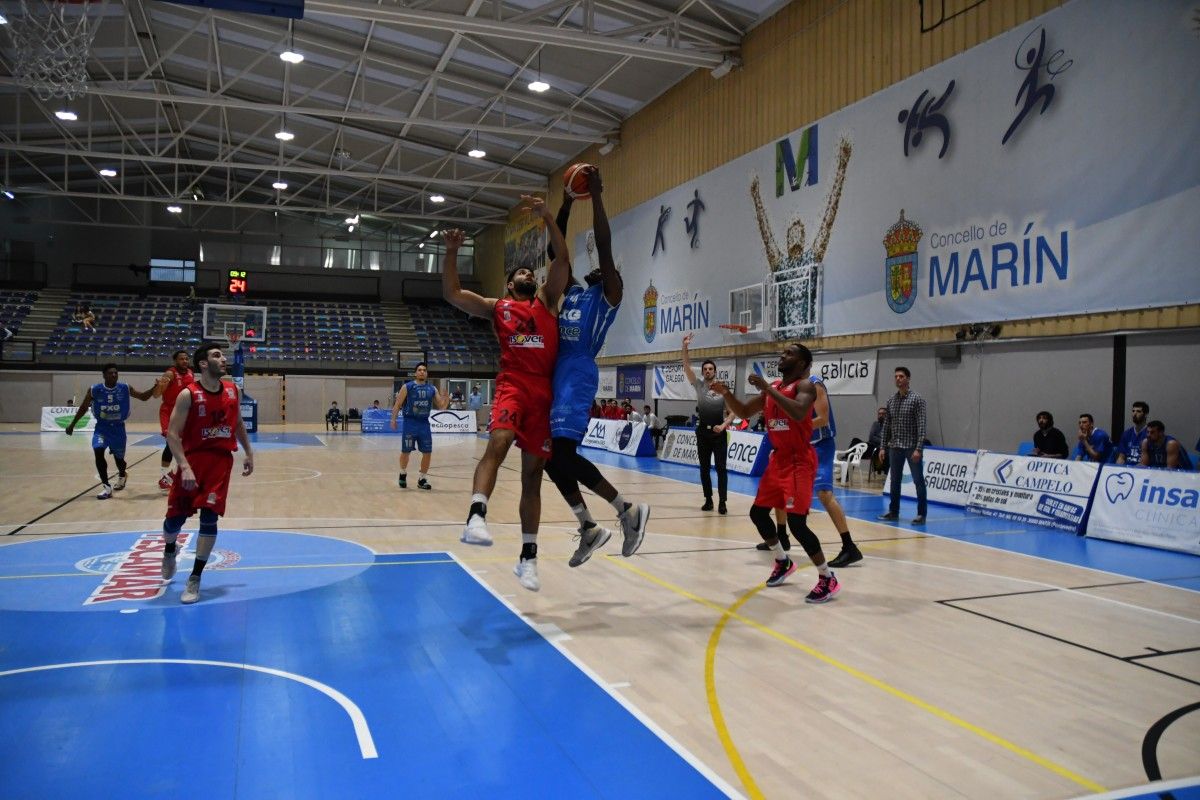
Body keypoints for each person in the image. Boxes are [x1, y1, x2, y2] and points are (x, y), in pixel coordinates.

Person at [441, 194, 570, 593]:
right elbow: (453, 293)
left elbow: (562, 262)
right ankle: (476, 515)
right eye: (521, 271)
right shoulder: (497, 307)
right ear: (508, 283)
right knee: (498, 440)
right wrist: (452, 252)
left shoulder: (548, 301)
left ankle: (528, 559)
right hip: (514, 384)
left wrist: (550, 217)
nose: (528, 273)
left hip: (543, 394)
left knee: (533, 476)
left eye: (532, 271)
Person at [542, 166, 651, 569]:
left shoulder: (606, 297)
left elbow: (604, 247)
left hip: (578, 371)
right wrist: (567, 203)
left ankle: (626, 511)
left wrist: (599, 197)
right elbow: (558, 254)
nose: (599, 268)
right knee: (551, 458)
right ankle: (588, 525)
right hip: (558, 373)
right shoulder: (571, 291)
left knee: (565, 454)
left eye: (607, 269)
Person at [712, 343, 840, 602]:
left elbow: (799, 412)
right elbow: (745, 412)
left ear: (803, 363)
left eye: (790, 353)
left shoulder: (805, 387)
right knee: (757, 513)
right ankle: (782, 561)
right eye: (783, 352)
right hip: (778, 459)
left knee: (796, 523)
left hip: (798, 461)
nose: (783, 355)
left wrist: (768, 389)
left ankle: (827, 577)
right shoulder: (775, 389)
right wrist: (726, 393)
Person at [160, 343, 255, 604]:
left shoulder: (232, 390)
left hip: (220, 463)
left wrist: (248, 451)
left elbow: (237, 423)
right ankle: (170, 548)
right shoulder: (187, 394)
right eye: (217, 355)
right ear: (203, 364)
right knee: (173, 523)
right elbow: (172, 434)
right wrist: (185, 467)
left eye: (223, 355)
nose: (223, 359)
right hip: (191, 462)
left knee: (210, 519)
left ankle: (195, 578)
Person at [65, 364, 154, 499]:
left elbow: (142, 397)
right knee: (98, 451)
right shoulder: (95, 389)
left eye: (115, 373)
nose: (114, 375)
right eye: (110, 373)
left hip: (118, 429)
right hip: (102, 428)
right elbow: (83, 407)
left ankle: (122, 474)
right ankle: (106, 487)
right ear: (104, 375)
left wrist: (155, 388)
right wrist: (72, 425)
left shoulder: (124, 387)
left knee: (120, 461)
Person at [681, 332, 734, 514]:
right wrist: (685, 347)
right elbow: (686, 366)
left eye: (711, 369)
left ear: (715, 371)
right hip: (703, 433)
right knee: (704, 469)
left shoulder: (722, 389)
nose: (708, 371)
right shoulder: (699, 385)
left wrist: (725, 424)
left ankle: (723, 502)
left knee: (721, 469)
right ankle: (709, 500)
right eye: (705, 369)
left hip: (719, 434)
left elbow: (733, 412)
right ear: (703, 372)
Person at [877, 366, 928, 524]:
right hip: (895, 447)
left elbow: (922, 425)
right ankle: (893, 511)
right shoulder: (891, 400)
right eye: (896, 376)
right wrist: (883, 446)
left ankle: (921, 514)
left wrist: (919, 448)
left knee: (918, 480)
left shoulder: (917, 399)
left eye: (901, 376)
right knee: (895, 480)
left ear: (908, 379)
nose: (898, 379)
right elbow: (886, 426)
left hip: (912, 447)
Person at [389, 362, 449, 489]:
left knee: (427, 452)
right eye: (420, 370)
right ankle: (402, 473)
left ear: (427, 373)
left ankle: (422, 479)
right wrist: (393, 420)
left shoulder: (432, 389)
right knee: (406, 452)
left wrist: (446, 400)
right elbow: (397, 404)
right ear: (415, 373)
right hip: (410, 423)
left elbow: (442, 407)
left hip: (424, 424)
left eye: (424, 370)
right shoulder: (407, 387)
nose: (422, 372)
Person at [152, 350, 194, 494]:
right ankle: (164, 476)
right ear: (175, 361)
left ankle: (172, 475)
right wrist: (159, 386)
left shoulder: (190, 373)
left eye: (186, 358)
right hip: (169, 412)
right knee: (171, 443)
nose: (185, 361)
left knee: (187, 445)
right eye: (181, 359)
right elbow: (156, 395)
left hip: (185, 412)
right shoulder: (170, 374)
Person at [865, 406, 887, 476]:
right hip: (871, 446)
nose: (881, 415)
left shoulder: (889, 426)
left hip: (881, 449)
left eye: (883, 414)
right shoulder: (875, 424)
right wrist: (882, 440)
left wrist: (877, 439)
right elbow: (871, 437)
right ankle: (846, 475)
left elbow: (888, 440)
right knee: (855, 442)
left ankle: (885, 475)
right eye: (879, 414)